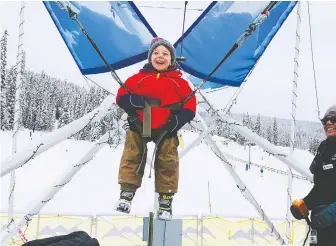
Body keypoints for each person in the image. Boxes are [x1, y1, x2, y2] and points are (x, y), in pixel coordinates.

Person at [114, 37, 197, 221]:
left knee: (168, 161)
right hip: (139, 124)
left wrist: (178, 120)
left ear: (172, 59)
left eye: (166, 54)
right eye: (156, 53)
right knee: (132, 155)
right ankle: (127, 192)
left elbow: (190, 104)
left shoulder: (179, 82)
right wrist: (132, 101)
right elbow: (120, 96)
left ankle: (166, 198)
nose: (161, 56)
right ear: (150, 57)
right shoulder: (138, 78)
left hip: (167, 127)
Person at [290, 104, 336, 245]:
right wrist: (305, 205)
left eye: (333, 119)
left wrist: (332, 213)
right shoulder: (324, 149)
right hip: (320, 226)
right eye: (325, 120)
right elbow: (322, 189)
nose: (328, 122)